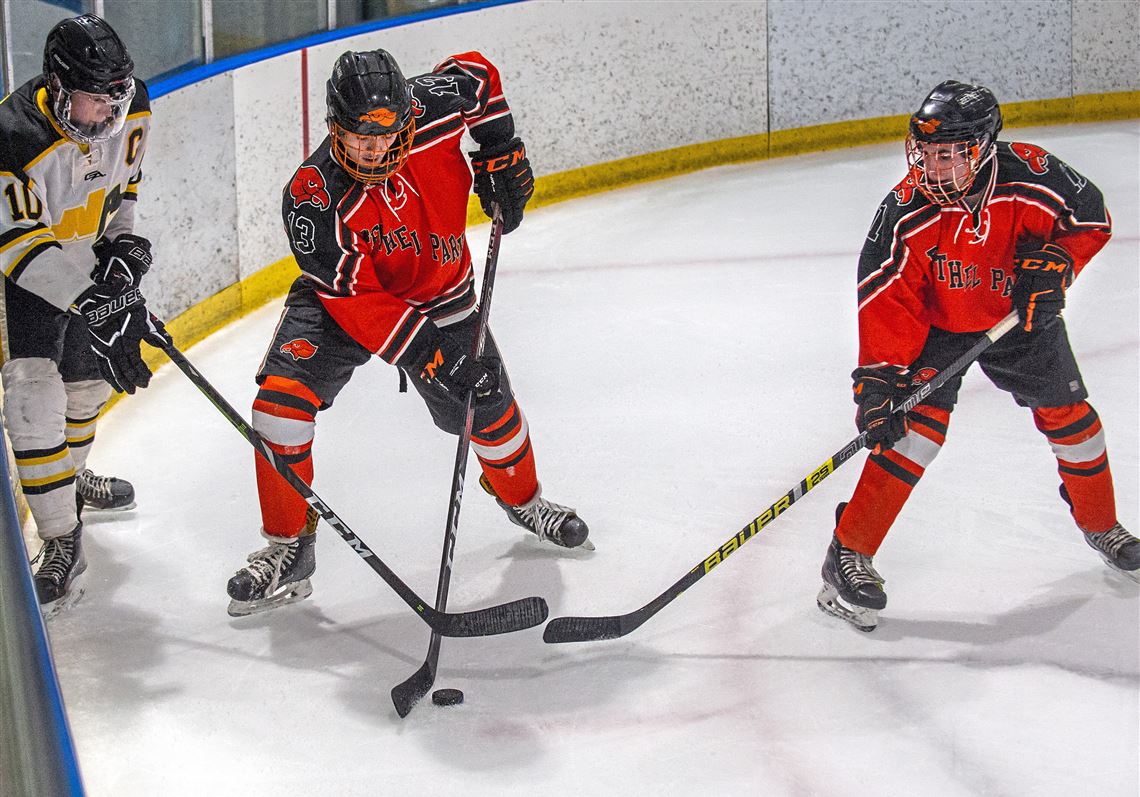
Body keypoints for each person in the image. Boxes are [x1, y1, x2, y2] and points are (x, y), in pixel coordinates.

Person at [226, 48, 590, 617]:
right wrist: (429, 356)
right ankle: (288, 545)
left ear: (408, 118)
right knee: (277, 408)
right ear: (333, 128)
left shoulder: (433, 107)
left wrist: (500, 151)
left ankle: (524, 500)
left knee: (487, 410)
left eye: (385, 137)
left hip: (441, 291)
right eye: (357, 139)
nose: (372, 151)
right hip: (345, 300)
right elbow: (358, 301)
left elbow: (476, 73)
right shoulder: (313, 196)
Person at [816, 80, 1139, 631]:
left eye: (949, 153)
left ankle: (1103, 525)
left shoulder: (1033, 175)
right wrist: (877, 385)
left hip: (1019, 316)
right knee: (913, 435)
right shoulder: (903, 212)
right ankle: (847, 554)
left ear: (984, 147)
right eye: (926, 151)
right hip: (937, 329)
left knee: (1077, 426)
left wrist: (1057, 261)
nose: (933, 165)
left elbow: (1089, 216)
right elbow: (885, 300)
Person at [0, 14, 167, 616]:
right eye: (94, 101)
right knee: (32, 395)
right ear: (59, 86)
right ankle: (61, 538)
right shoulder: (13, 134)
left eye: (113, 99)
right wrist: (91, 299)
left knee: (89, 383)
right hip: (32, 273)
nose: (107, 115)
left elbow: (123, 191)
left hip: (89, 261)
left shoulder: (131, 106)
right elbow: (17, 242)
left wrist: (123, 246)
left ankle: (70, 483)